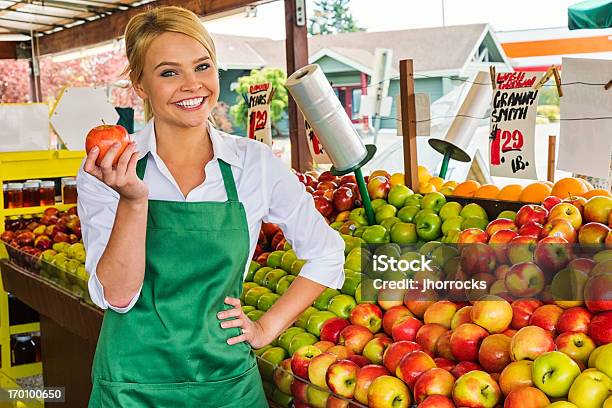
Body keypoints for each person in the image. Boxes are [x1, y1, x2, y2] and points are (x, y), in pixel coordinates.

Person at [77, 6, 345, 407]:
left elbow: (327, 252)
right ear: (140, 84)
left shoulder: (254, 163)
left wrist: (265, 327)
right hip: (131, 388)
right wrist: (133, 201)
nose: (192, 85)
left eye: (202, 66)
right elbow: (116, 295)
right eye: (169, 72)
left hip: (229, 387)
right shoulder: (109, 167)